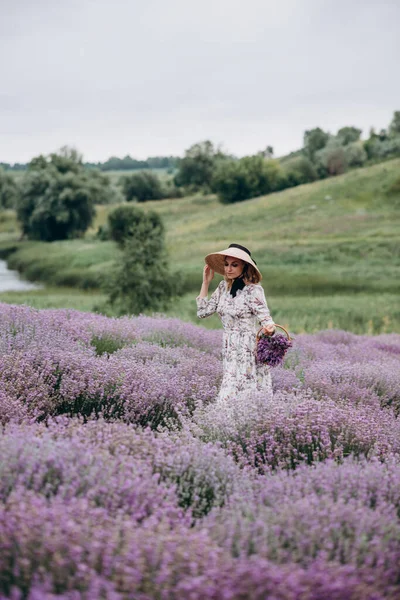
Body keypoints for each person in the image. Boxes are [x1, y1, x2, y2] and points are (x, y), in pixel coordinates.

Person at [196, 243, 276, 405]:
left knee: (241, 392)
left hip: (247, 348)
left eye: (234, 265)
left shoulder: (253, 290)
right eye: (226, 264)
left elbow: (266, 319)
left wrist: (269, 328)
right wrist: (205, 283)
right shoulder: (222, 287)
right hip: (229, 347)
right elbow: (203, 312)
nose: (228, 269)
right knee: (231, 389)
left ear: (245, 267)